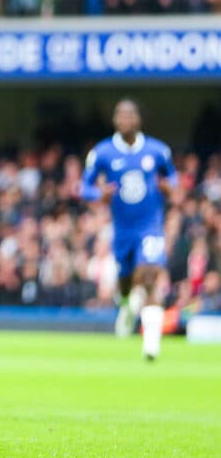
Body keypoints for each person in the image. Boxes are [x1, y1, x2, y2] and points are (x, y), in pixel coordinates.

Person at [81, 99, 177, 360]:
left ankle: (151, 345)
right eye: (119, 115)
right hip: (123, 229)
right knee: (125, 282)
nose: (124, 120)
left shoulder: (157, 151)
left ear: (138, 120)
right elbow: (84, 187)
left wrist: (169, 187)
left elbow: (173, 178)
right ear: (114, 121)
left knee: (149, 276)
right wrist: (98, 194)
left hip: (151, 225)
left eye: (129, 115)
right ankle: (125, 305)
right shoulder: (102, 153)